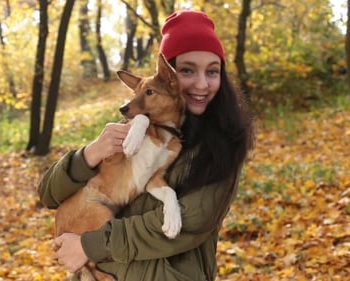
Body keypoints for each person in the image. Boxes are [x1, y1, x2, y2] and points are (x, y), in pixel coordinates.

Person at [38, 10, 254, 281]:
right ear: (166, 75)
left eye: (213, 71)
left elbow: (190, 223)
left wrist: (89, 245)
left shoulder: (221, 145)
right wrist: (90, 153)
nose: (202, 83)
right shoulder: (135, 126)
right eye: (187, 70)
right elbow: (48, 194)